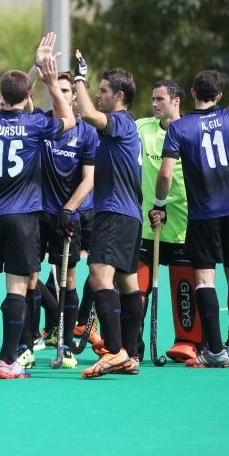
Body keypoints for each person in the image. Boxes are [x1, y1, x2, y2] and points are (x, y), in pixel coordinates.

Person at [0, 44, 75, 380]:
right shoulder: (35, 123)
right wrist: (51, 81)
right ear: (27, 97)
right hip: (24, 216)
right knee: (16, 289)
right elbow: (68, 119)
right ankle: (7, 360)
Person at [151, 69, 229, 368]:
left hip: (204, 214)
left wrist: (159, 203)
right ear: (219, 96)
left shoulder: (180, 128)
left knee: (204, 280)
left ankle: (214, 350)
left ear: (193, 94)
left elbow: (166, 173)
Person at [73, 51, 145, 378]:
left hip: (114, 214)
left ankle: (115, 350)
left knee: (100, 276)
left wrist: (79, 78)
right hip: (129, 216)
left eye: (103, 91)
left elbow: (86, 112)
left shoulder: (119, 123)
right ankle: (131, 353)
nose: (98, 95)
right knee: (128, 285)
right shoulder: (123, 129)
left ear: (119, 96)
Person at [20, 67, 96, 370]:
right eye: (57, 89)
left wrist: (69, 208)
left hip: (68, 216)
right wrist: (39, 68)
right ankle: (26, 345)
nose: (60, 94)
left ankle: (64, 346)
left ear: (75, 96)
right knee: (30, 278)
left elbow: (89, 179)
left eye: (66, 91)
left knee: (68, 280)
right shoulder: (40, 122)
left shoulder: (87, 132)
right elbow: (20, 94)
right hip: (36, 215)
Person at [135, 80, 203, 363]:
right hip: (145, 225)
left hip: (182, 223)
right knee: (136, 287)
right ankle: (129, 341)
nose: (154, 104)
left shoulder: (189, 131)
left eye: (160, 99)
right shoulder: (142, 127)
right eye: (152, 98)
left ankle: (187, 341)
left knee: (183, 286)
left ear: (177, 101)